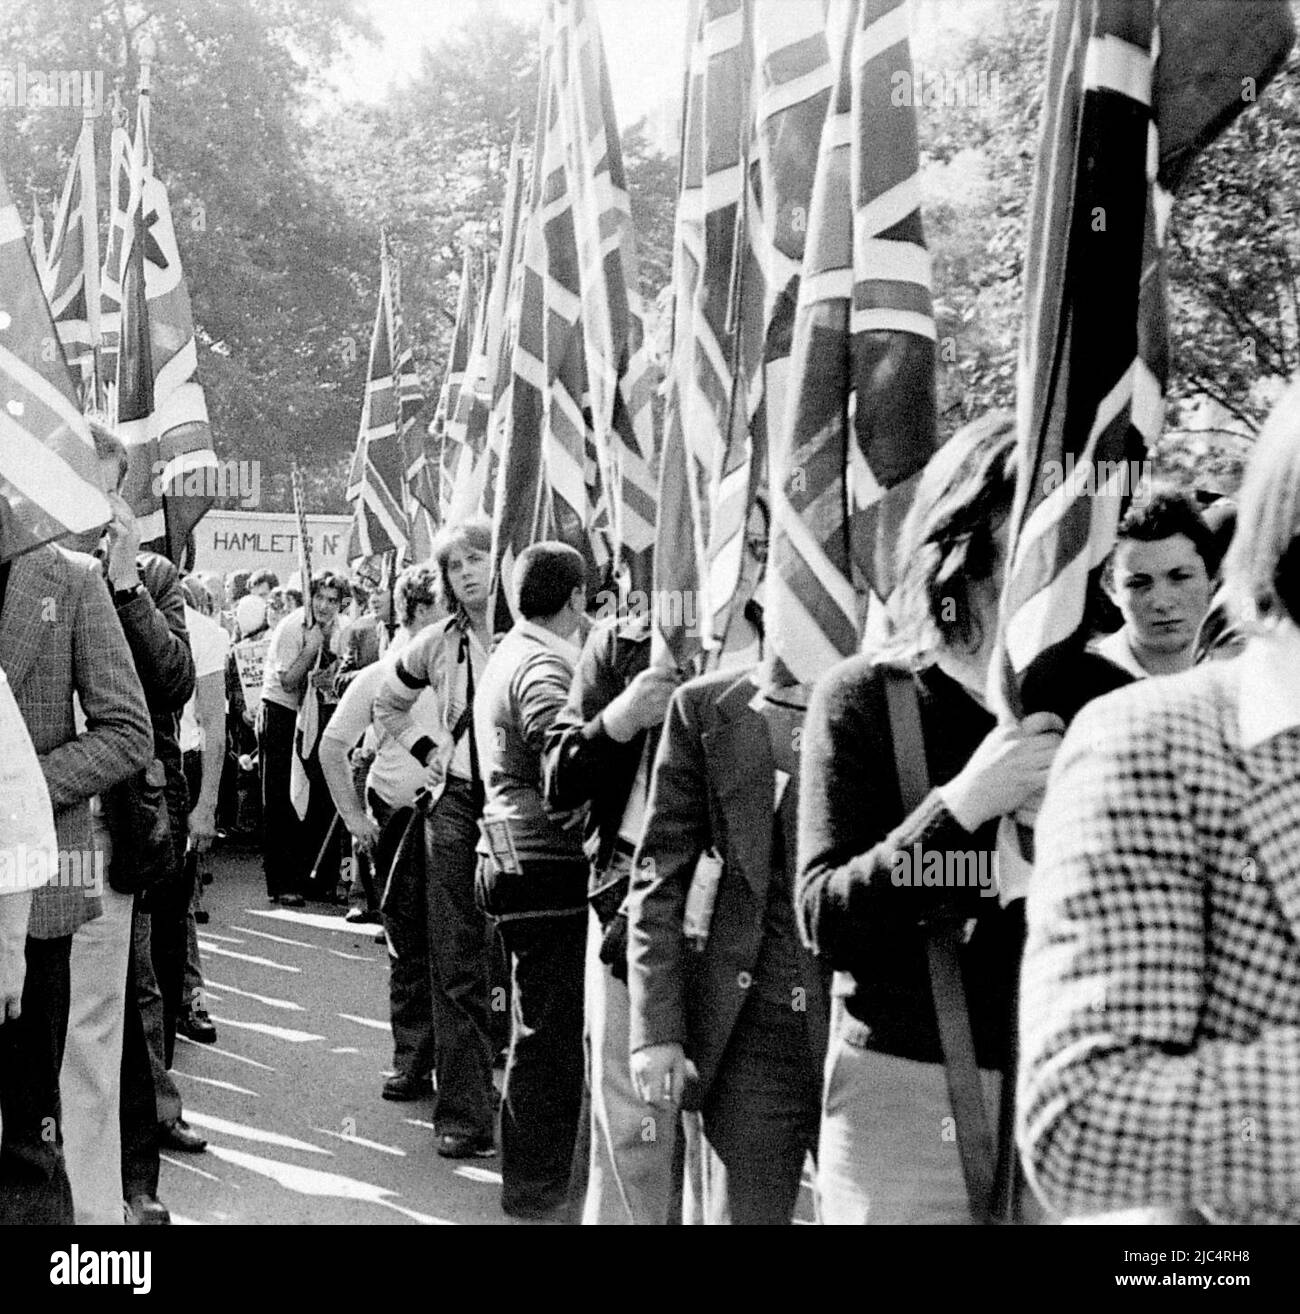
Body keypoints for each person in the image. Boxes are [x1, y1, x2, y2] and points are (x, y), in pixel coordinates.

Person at [795, 411, 1128, 1225]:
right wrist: (962, 809)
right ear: (970, 533)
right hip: (909, 1092)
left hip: (1077, 1091)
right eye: (1040, 520)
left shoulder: (1110, 702)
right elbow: (827, 916)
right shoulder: (865, 697)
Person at [1018, 379, 1300, 1225]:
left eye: (1183, 577)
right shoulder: (1152, 743)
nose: (1163, 600)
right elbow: (1083, 1126)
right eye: (1143, 582)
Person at [0, 516, 153, 1225]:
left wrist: (17, 785)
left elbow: (127, 731)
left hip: (38, 898)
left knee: (31, 1136)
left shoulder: (71, 578)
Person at [474, 541, 590, 1221]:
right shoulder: (543, 662)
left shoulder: (512, 654)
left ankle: (538, 1181)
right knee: (548, 1034)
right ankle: (536, 1189)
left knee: (539, 1029)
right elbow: (562, 755)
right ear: (576, 599)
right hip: (545, 863)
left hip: (518, 857)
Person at [374, 521, 497, 1156]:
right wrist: (430, 750)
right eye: (455, 566)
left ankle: (538, 1116)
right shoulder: (436, 643)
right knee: (456, 962)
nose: (468, 573)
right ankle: (465, 1116)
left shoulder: (541, 634)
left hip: (526, 808)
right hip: (454, 805)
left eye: (479, 559)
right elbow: (385, 707)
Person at [320, 563, 443, 1100]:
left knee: (463, 950)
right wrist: (353, 818)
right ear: (419, 609)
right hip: (399, 818)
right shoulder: (384, 673)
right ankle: (413, 1062)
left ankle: (468, 1067)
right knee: (409, 947)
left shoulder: (468, 665)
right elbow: (332, 746)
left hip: (457, 816)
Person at [257, 572, 345, 907]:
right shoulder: (294, 626)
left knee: (317, 797)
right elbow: (289, 680)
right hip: (281, 712)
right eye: (319, 598)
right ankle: (281, 882)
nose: (324, 606)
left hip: (315, 714)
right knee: (280, 798)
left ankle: (316, 879)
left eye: (332, 600)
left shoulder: (340, 628)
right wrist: (311, 650)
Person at [1091, 486, 1218, 678]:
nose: (1162, 603)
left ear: (1211, 578)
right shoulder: (1081, 685)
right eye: (1138, 584)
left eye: (1180, 577)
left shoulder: (1253, 673)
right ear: (1110, 588)